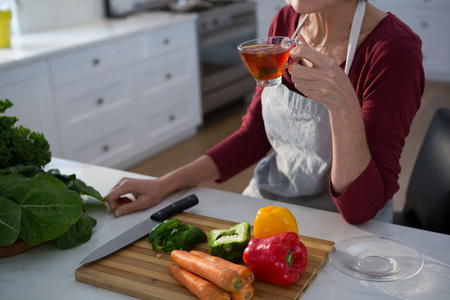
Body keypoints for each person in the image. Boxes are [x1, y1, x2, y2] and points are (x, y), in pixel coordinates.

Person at [105, 0, 424, 224]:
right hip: (269, 207)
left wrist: (342, 105)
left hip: (341, 228)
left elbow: (361, 208)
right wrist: (163, 185)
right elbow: (254, 137)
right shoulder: (287, 23)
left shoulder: (394, 50)